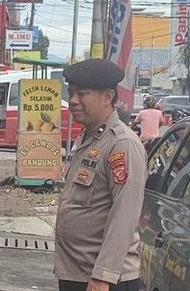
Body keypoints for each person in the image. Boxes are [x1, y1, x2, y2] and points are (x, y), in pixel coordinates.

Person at [55, 58, 147, 291]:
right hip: (78, 273)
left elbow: (124, 215)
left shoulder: (122, 144)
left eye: (82, 93)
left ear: (108, 97)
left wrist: (103, 276)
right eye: (71, 92)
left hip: (104, 280)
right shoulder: (90, 138)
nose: (73, 101)